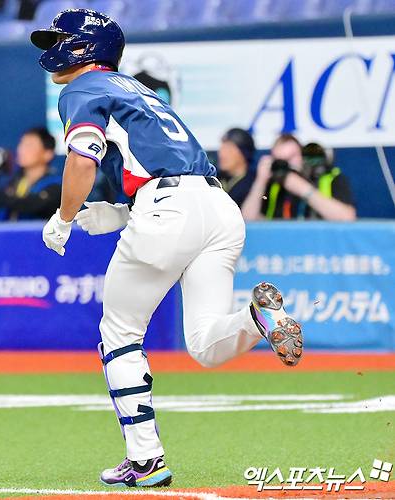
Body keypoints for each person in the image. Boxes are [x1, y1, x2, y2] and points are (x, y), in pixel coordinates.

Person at [31, 9, 304, 488]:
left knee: (119, 334)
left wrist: (65, 216)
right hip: (217, 207)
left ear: (83, 47)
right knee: (206, 343)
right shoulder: (141, 91)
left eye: (59, 39)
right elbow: (168, 169)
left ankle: (145, 459)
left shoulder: (83, 88)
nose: (52, 48)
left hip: (167, 209)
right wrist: (121, 213)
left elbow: (83, 160)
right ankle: (257, 318)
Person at [242, 134, 356, 221]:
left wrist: (303, 189)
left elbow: (347, 218)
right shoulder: (272, 185)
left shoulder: (330, 178)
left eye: (292, 157)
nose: (288, 165)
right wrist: (260, 181)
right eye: (281, 161)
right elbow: (248, 221)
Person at [0, 127, 61, 221]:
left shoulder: (56, 185)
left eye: (29, 146)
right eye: (21, 144)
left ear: (47, 154)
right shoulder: (13, 182)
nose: (21, 150)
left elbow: (31, 204)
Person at [216, 127, 256, 207]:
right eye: (222, 148)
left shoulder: (255, 184)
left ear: (244, 153)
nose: (221, 154)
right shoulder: (214, 179)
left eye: (229, 149)